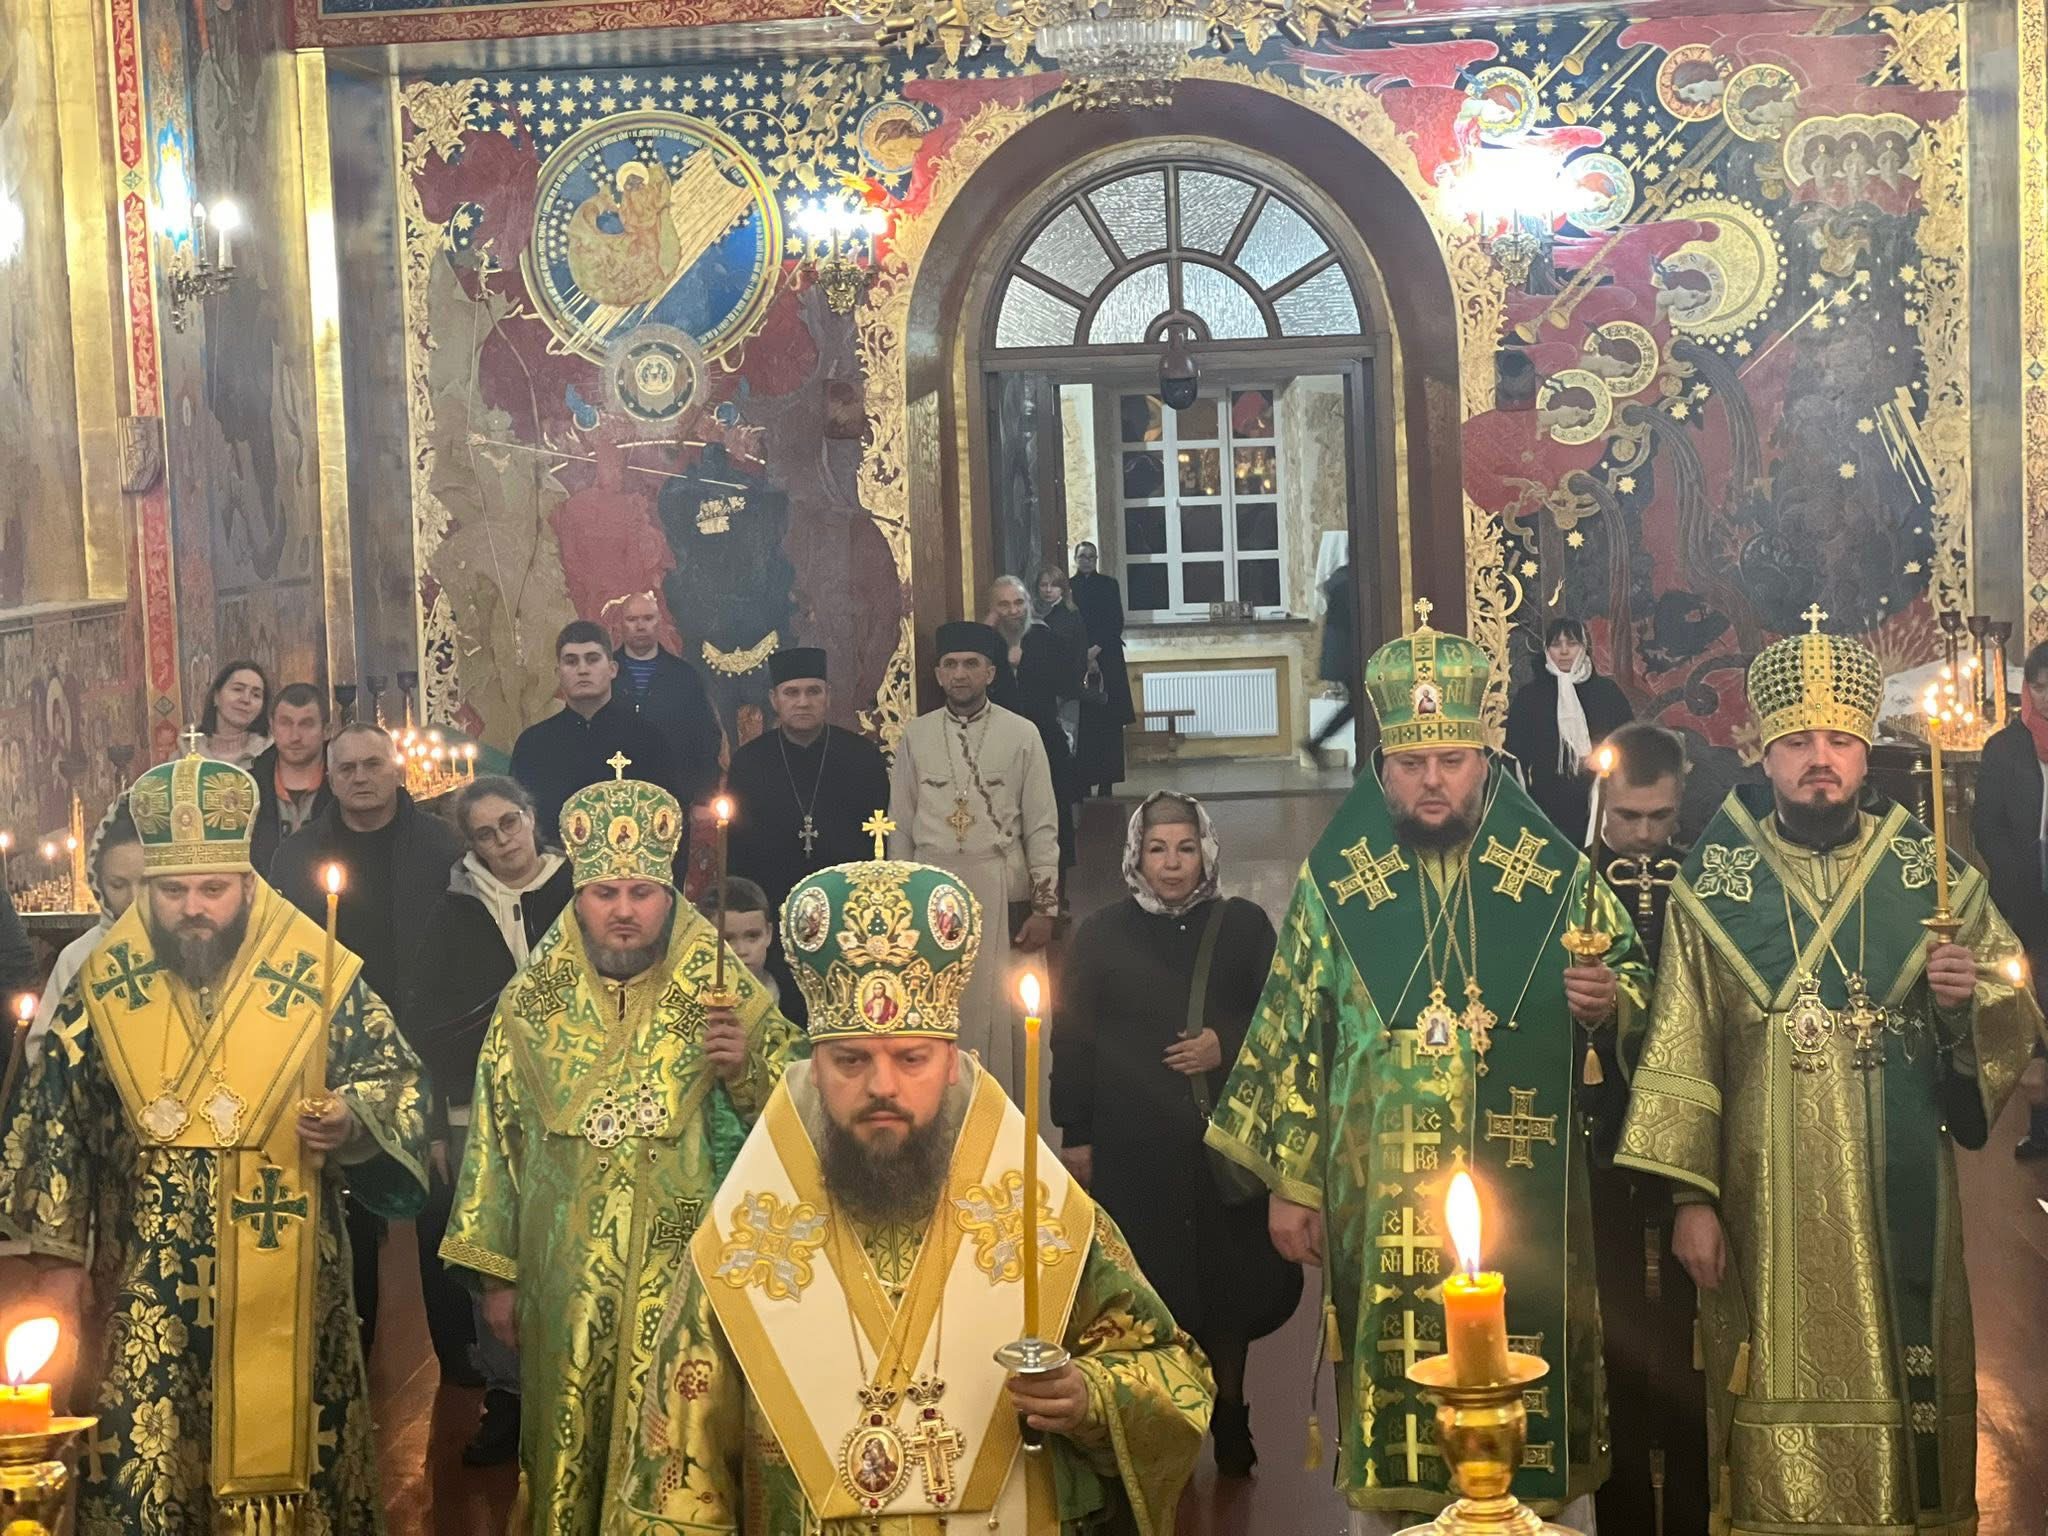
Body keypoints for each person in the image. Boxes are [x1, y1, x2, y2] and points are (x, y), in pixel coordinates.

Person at [618, 834, 1214, 1531]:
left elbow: (1171, 1371)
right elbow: (676, 1469)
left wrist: (1090, 1398)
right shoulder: (744, 1241)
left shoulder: (1036, 1212)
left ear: (954, 1063)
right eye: (850, 1061)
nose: (883, 1086)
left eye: (911, 1059)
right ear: (813, 1068)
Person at [1206, 601, 1649, 1533]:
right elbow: (1294, 1032)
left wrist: (1609, 1003)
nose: (1433, 782)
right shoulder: (1339, 882)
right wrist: (1293, 1184)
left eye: (1452, 760)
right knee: (1397, 1398)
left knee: (1534, 1380)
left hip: (1523, 1183)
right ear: (1385, 768)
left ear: (1485, 761)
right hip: (1378, 1192)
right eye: (1412, 764)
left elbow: (1643, 990)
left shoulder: (1551, 874)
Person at [1615, 617, 2044, 1536]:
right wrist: (1690, 1201)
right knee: (1768, 1381)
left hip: (1898, 1201)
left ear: (1865, 753)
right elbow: (1682, 1047)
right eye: (1799, 742)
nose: (1821, 760)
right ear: (1763, 754)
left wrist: (1959, 1003)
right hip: (1760, 1203)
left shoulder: (1931, 882)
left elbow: (2003, 1019)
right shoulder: (1712, 888)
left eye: (1840, 741)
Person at [0, 746, 427, 1533]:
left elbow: (394, 1078)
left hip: (292, 1285)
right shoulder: (103, 987)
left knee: (298, 1458)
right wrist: (57, 1270)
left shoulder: (310, 969)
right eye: (172, 891)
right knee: (149, 1468)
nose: (192, 908)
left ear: (246, 884)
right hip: (142, 1291)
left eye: (212, 889)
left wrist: (349, 1117)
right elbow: (52, 1123)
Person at [440, 765, 806, 1536]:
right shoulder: (529, 1005)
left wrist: (746, 1067)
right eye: (605, 893)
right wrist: (498, 1279)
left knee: (681, 1448)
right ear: (577, 896)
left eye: (643, 892)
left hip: (686, 1280)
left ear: (669, 896)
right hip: (562, 1276)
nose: (625, 911)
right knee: (565, 1439)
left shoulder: (719, 987)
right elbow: (496, 1142)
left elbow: (802, 1110)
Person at [1053, 792, 1302, 1477]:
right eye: (1157, 849)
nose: (1171, 864)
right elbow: (1072, 1036)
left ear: (1207, 852)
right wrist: (1076, 1132)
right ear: (1136, 855)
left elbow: (1282, 1016)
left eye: (1186, 849)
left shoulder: (1243, 927)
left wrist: (1226, 1043)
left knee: (1227, 1289)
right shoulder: (1101, 934)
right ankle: (1164, 1421)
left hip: (1219, 1144)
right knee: (1149, 1291)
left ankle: (1232, 1412)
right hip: (1134, 1146)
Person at [273, 722, 465, 1367]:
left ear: (398, 769)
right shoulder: (296, 856)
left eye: (372, 764)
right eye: (347, 767)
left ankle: (459, 1357)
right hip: (336, 1047)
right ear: (329, 778)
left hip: (429, 1036)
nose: (360, 777)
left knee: (441, 1195)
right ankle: (355, 1349)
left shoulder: (442, 845)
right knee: (348, 1198)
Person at [405, 775, 574, 1466]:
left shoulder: (581, 894)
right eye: (485, 833)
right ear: (470, 844)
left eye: (511, 823)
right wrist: (438, 1125)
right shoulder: (452, 911)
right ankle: (507, 1393)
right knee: (489, 1241)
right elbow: (429, 1022)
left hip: (577, 1100)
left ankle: (577, 1382)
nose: (503, 841)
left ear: (532, 818)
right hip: (479, 1105)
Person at [1582, 720, 1704, 1536]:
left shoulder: (1706, 884)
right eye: (1628, 817)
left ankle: (1693, 1505)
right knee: (1613, 1323)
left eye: (1660, 818)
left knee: (1690, 1335)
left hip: (1693, 1137)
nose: (1644, 835)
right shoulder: (1566, 886)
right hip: (1600, 1135)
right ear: (1602, 804)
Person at [887, 622, 1059, 1097]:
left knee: (1005, 1009)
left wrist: (1045, 908)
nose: (960, 674)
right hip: (930, 892)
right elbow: (900, 826)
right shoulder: (916, 736)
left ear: (990, 672)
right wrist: (900, 905)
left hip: (1001, 884)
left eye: (971, 664)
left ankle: (1008, 1115)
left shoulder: (1022, 734)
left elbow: (1042, 825)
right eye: (950, 665)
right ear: (938, 674)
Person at [725, 648, 890, 913]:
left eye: (813, 691)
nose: (803, 702)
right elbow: (736, 848)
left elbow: (880, 837)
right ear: (774, 699)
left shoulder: (862, 755)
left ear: (828, 696)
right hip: (771, 904)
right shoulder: (749, 762)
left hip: (847, 902)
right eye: (791, 692)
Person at [1969, 639, 2048, 1159]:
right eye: (2041, 688)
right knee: (2035, 1008)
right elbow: (1986, 827)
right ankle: (2041, 1128)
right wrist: (2019, 871)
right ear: (2028, 688)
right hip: (2024, 893)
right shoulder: (2004, 748)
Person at [511, 619, 679, 842]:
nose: (582, 670)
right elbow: (519, 823)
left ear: (612, 669)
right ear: (558, 673)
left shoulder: (648, 740)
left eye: (592, 659)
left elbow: (669, 820)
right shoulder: (533, 745)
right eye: (571, 661)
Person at [23, 800, 143, 1065]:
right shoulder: (77, 957)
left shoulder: (195, 948)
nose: (133, 899)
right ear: (99, 884)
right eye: (118, 885)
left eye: (147, 882)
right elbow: (42, 1054)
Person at [1505, 617, 1635, 839]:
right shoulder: (1530, 697)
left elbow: (1629, 741)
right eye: (1556, 645)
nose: (1564, 651)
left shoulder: (1606, 693)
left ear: (1584, 647)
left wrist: (1606, 758)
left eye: (1572, 643)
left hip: (1601, 799)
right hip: (1546, 804)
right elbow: (1515, 755)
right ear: (1547, 650)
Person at [988, 574, 1082, 872]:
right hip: (1000, 748)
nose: (1013, 611)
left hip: (1045, 740)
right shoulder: (986, 644)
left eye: (1019, 602)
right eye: (1004, 605)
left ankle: (1054, 886)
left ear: (1028, 603)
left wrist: (1024, 665)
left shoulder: (1044, 638)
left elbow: (1067, 684)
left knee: (1052, 818)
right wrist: (997, 647)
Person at [609, 589, 725, 812]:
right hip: (613, 799)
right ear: (620, 624)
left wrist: (703, 796)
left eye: (648, 618)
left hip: (673, 799)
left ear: (659, 621)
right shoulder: (604, 674)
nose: (640, 626)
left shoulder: (684, 676)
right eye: (632, 619)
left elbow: (706, 736)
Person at [1070, 541, 1135, 798]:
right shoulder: (1069, 587)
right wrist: (1083, 653)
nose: (1086, 560)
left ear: (1096, 559)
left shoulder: (1109, 584)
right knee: (1084, 723)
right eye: (1082, 556)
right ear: (1075, 559)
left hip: (1107, 656)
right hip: (1077, 659)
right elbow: (1070, 623)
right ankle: (1084, 780)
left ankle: (1107, 781)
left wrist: (1095, 650)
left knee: (1109, 721)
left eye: (1090, 556)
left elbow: (1115, 621)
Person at [252, 681, 335, 872]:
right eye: (285, 723)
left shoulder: (344, 787)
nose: (295, 736)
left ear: (327, 731)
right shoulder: (248, 788)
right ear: (272, 727)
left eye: (306, 724)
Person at [697, 876, 800, 1024]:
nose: (741, 951)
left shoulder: (798, 999)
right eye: (727, 939)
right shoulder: (692, 1003)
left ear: (769, 933)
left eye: (753, 936)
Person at [1305, 562, 1358, 758]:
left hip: (1340, 655)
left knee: (1357, 705)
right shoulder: (1351, 582)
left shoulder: (1340, 578)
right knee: (1359, 705)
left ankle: (1316, 742)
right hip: (1348, 656)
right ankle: (1315, 742)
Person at [1036, 565, 1090, 755]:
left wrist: (1071, 685)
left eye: (1053, 585)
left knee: (1066, 739)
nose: (1048, 590)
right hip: (1040, 688)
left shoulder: (1071, 614)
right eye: (1043, 585)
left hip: (1066, 687)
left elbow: (1079, 653)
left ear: (1062, 589)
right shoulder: (1033, 613)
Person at [200, 658, 273, 769]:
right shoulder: (184, 756)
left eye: (256, 695)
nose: (246, 699)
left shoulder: (273, 755)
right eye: (238, 689)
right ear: (216, 696)